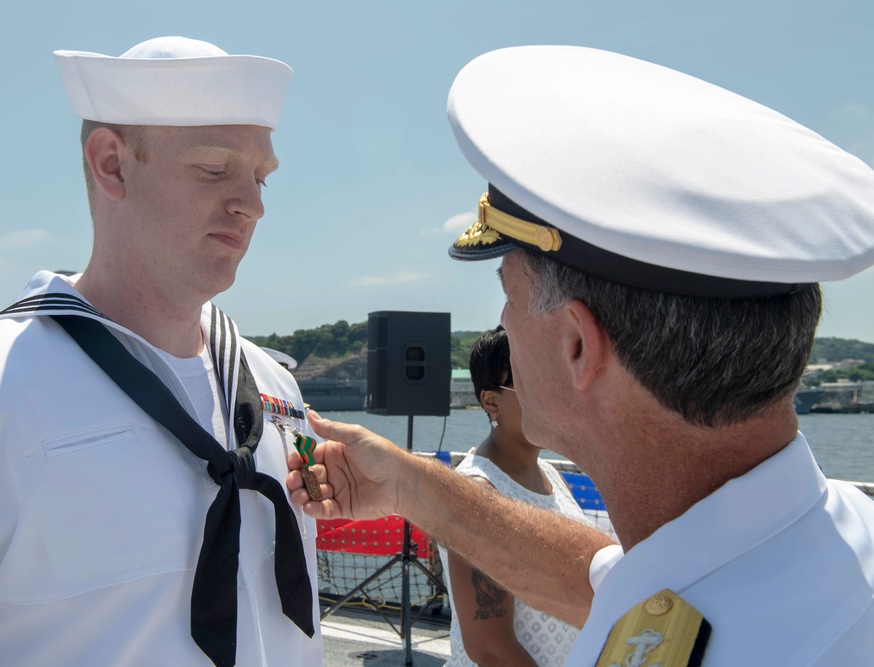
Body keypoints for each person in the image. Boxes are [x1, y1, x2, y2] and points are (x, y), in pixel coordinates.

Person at [288, 46, 874, 665]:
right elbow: (606, 580)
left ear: (576, 345)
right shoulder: (830, 540)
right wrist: (409, 485)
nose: (505, 326)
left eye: (508, 299)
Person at [0, 37, 321, 667]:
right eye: (215, 168)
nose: (253, 204)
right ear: (112, 165)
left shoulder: (273, 388)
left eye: (261, 176)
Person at [440, 325, 596, 666]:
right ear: (491, 400)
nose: (550, 396)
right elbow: (490, 648)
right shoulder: (476, 492)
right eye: (530, 385)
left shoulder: (550, 475)